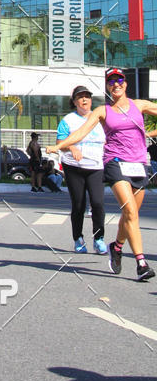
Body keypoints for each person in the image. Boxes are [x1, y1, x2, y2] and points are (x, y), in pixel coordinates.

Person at [47, 67, 157, 281]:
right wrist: (59, 146)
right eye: (111, 82)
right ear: (107, 87)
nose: (116, 84)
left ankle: (116, 247)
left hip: (139, 164)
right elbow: (80, 133)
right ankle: (141, 263)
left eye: (119, 81)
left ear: (125, 84)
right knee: (131, 213)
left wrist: (149, 134)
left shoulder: (139, 105)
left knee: (129, 214)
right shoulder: (102, 111)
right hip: (115, 163)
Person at [55, 85, 106, 254]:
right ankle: (78, 238)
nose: (84, 100)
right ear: (74, 102)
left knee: (98, 203)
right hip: (74, 167)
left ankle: (98, 238)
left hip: (95, 167)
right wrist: (71, 148)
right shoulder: (68, 120)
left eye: (87, 96)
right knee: (78, 205)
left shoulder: (100, 119)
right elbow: (59, 144)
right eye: (80, 97)